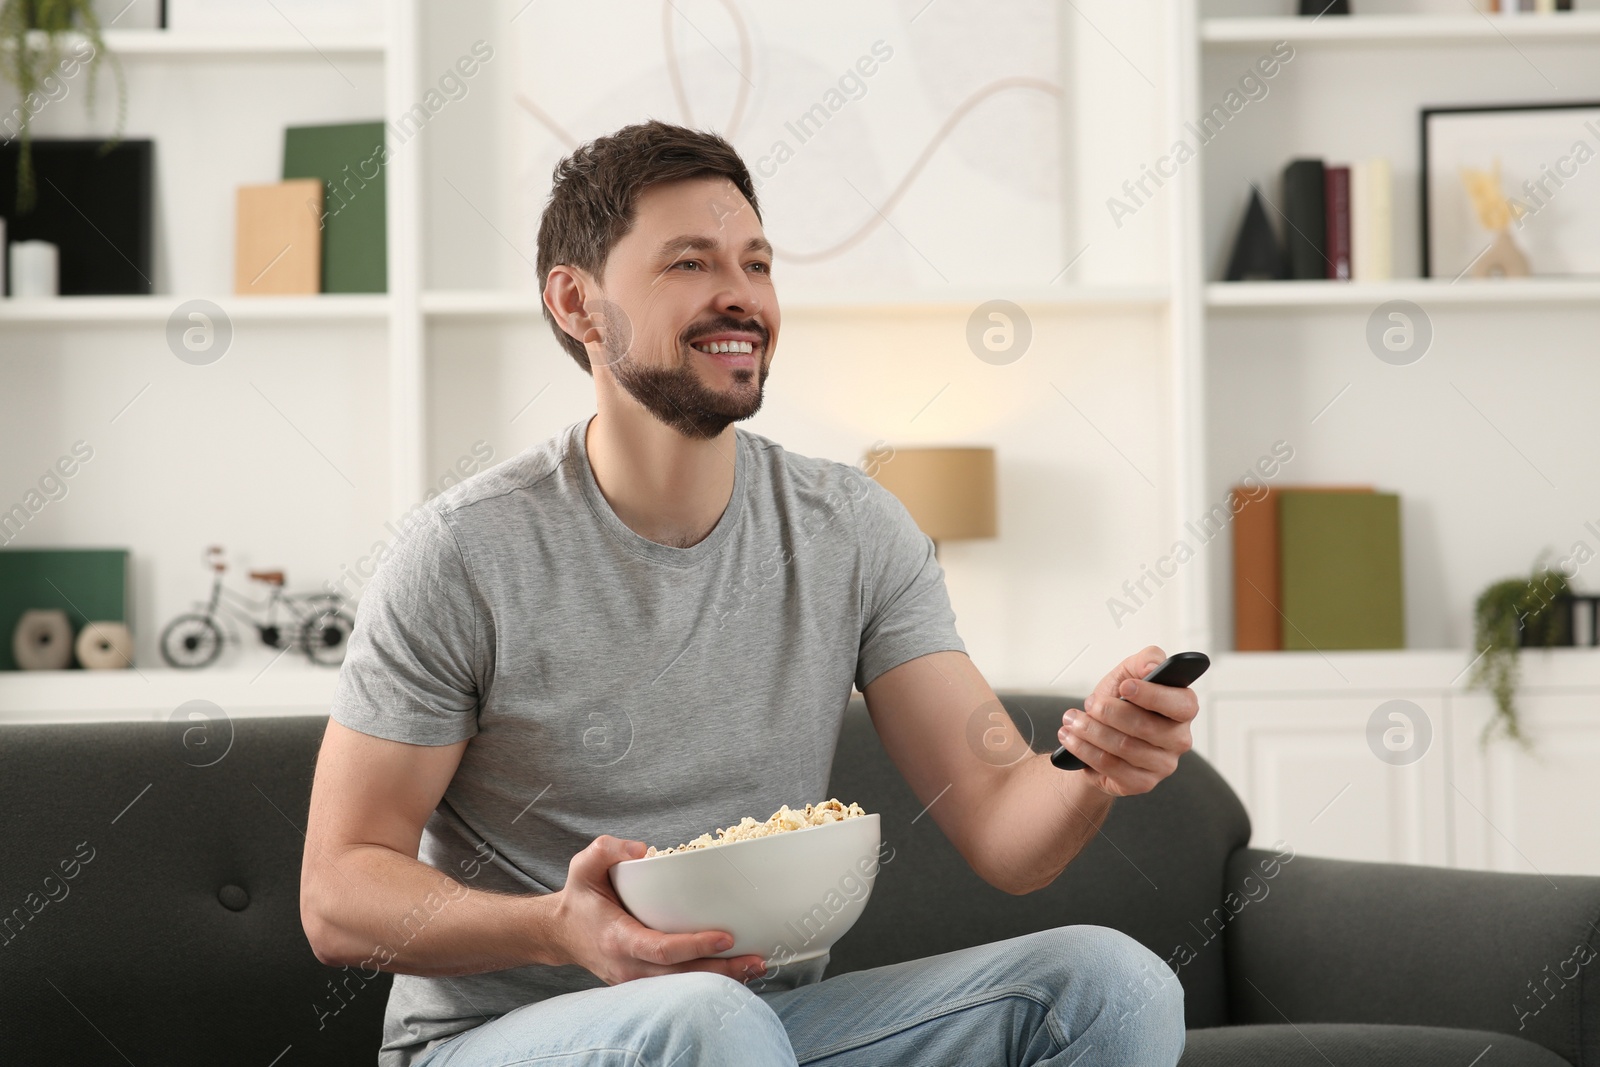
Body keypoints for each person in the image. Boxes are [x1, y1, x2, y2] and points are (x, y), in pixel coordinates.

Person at [300, 119, 1193, 1067]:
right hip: (496, 1041)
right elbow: (338, 894)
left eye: (757, 263)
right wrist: (558, 928)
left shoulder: (851, 529)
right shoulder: (464, 553)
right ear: (578, 303)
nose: (741, 295)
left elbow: (1008, 832)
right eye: (690, 263)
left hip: (760, 1030)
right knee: (704, 1020)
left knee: (1108, 982)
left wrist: (1091, 765)